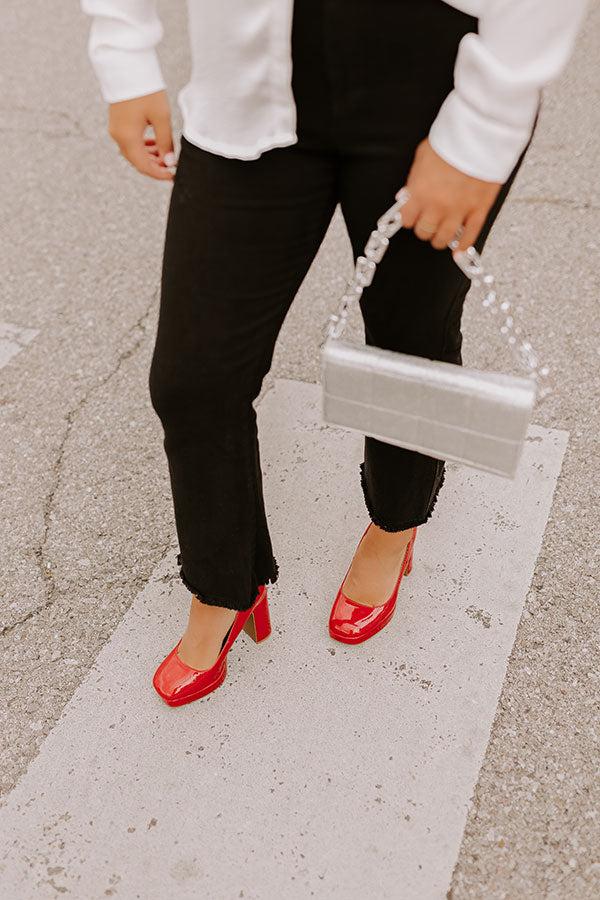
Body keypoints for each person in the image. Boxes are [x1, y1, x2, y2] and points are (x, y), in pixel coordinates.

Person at [81, 0, 587, 707]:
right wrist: (124, 47)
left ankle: (395, 525)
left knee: (412, 339)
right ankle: (225, 585)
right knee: (195, 379)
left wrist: (487, 124)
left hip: (431, 75)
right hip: (249, 74)